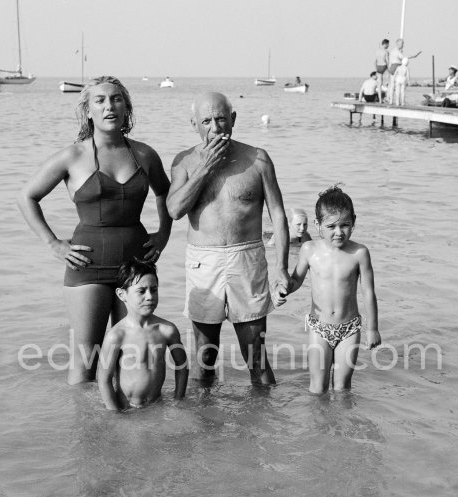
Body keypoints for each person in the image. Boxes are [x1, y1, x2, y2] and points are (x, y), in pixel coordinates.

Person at [17, 76, 173, 385]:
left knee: (131, 357)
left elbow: (165, 195)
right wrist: (52, 243)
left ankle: (129, 428)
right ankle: (85, 433)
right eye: (99, 100)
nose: (108, 106)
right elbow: (26, 197)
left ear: (126, 108)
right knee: (86, 363)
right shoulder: (72, 156)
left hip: (136, 267)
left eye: (116, 99)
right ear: (88, 111)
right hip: (87, 266)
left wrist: (163, 235)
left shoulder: (144, 154)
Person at [166, 91, 290, 385]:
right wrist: (206, 166)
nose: (214, 127)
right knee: (204, 358)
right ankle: (202, 425)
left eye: (221, 118)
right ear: (194, 124)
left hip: (246, 258)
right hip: (203, 261)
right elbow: (174, 209)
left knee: (256, 358)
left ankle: (266, 426)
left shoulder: (257, 159)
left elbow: (279, 215)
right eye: (206, 120)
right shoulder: (183, 162)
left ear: (232, 120)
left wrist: (281, 267)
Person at [274, 186, 381, 395]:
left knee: (342, 388)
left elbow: (369, 292)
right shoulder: (309, 250)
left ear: (354, 222)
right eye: (331, 226)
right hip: (319, 327)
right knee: (317, 387)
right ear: (318, 225)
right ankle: (319, 427)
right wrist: (283, 290)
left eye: (345, 225)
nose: (339, 232)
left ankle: (341, 426)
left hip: (349, 328)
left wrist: (372, 328)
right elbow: (295, 280)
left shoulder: (359, 253)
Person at [97, 259, 188, 410]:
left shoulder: (167, 330)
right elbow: (104, 380)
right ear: (122, 294)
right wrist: (115, 415)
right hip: (127, 407)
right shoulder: (117, 335)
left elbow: (182, 367)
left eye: (154, 289)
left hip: (156, 404)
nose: (150, 297)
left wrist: (179, 400)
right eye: (141, 291)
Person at [388, 39, 421, 103]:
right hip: (396, 66)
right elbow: (404, 58)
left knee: (392, 85)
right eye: (402, 43)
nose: (403, 45)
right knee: (399, 87)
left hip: (392, 67)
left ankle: (391, 100)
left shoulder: (392, 51)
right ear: (398, 44)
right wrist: (414, 56)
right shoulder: (397, 51)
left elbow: (390, 61)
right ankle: (400, 101)